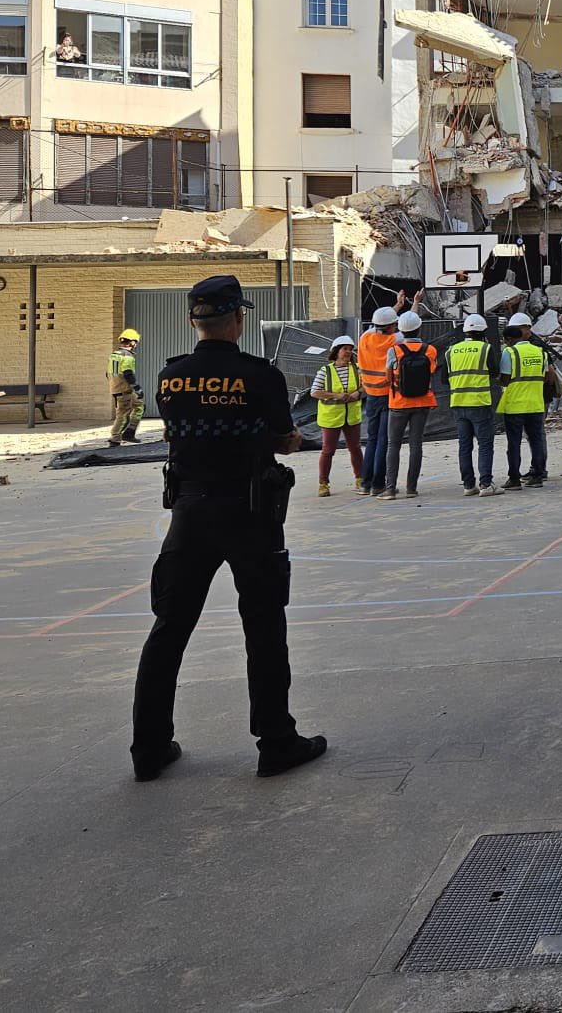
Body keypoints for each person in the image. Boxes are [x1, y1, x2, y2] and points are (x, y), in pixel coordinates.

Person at [130, 275, 325, 782]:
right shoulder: (258, 375)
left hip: (189, 513)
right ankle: (276, 741)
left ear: (194, 322)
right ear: (238, 318)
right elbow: (286, 440)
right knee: (263, 625)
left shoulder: (171, 376)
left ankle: (148, 748)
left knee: (168, 630)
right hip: (250, 512)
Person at [381, 311, 439, 500]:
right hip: (422, 402)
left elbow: (388, 377)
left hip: (398, 402)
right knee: (416, 445)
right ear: (419, 328)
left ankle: (390, 489)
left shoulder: (394, 350)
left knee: (393, 445)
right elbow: (431, 372)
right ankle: (411, 488)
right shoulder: (430, 350)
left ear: (401, 330)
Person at [446, 313, 501, 497]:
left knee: (464, 445)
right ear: (483, 332)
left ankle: (469, 485)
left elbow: (444, 379)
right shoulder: (485, 348)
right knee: (485, 444)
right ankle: (485, 484)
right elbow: (494, 372)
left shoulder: (451, 351)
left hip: (458, 404)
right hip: (479, 403)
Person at [498, 312, 550, 489]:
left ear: (511, 338)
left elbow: (505, 379)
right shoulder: (540, 352)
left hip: (515, 405)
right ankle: (537, 475)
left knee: (514, 443)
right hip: (535, 404)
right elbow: (544, 377)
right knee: (536, 441)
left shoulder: (509, 352)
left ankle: (514, 479)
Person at [310, 335, 362, 496]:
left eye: (350, 349)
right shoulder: (325, 371)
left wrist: (357, 393)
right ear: (336, 351)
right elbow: (315, 392)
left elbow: (365, 386)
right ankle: (323, 483)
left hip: (351, 416)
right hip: (331, 417)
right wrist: (335, 396)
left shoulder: (357, 368)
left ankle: (361, 479)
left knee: (355, 448)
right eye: (344, 349)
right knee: (328, 450)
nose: (348, 352)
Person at [356, 305, 399, 496]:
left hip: (370, 394)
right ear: (391, 326)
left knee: (372, 440)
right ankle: (378, 484)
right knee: (383, 440)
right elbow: (409, 327)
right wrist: (411, 304)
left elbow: (379, 323)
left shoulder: (364, 337)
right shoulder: (394, 340)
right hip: (386, 395)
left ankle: (366, 483)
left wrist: (396, 306)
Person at [107, 328, 145, 446]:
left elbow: (107, 374)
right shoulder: (127, 356)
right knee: (123, 415)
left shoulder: (114, 356)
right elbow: (128, 373)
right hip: (124, 390)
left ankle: (129, 433)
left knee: (140, 406)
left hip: (117, 388)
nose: (136, 345)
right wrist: (137, 388)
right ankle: (115, 438)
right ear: (132, 343)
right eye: (136, 342)